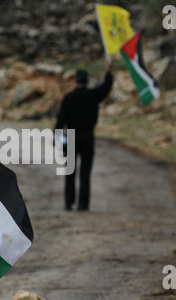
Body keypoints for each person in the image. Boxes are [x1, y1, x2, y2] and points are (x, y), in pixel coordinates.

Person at [55, 59, 113, 211]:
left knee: (70, 172)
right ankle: (83, 204)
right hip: (88, 136)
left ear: (75, 81)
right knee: (85, 172)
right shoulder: (93, 95)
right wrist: (108, 71)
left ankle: (68, 203)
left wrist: (59, 141)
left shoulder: (68, 98)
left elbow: (60, 122)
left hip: (71, 137)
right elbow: (106, 88)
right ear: (87, 81)